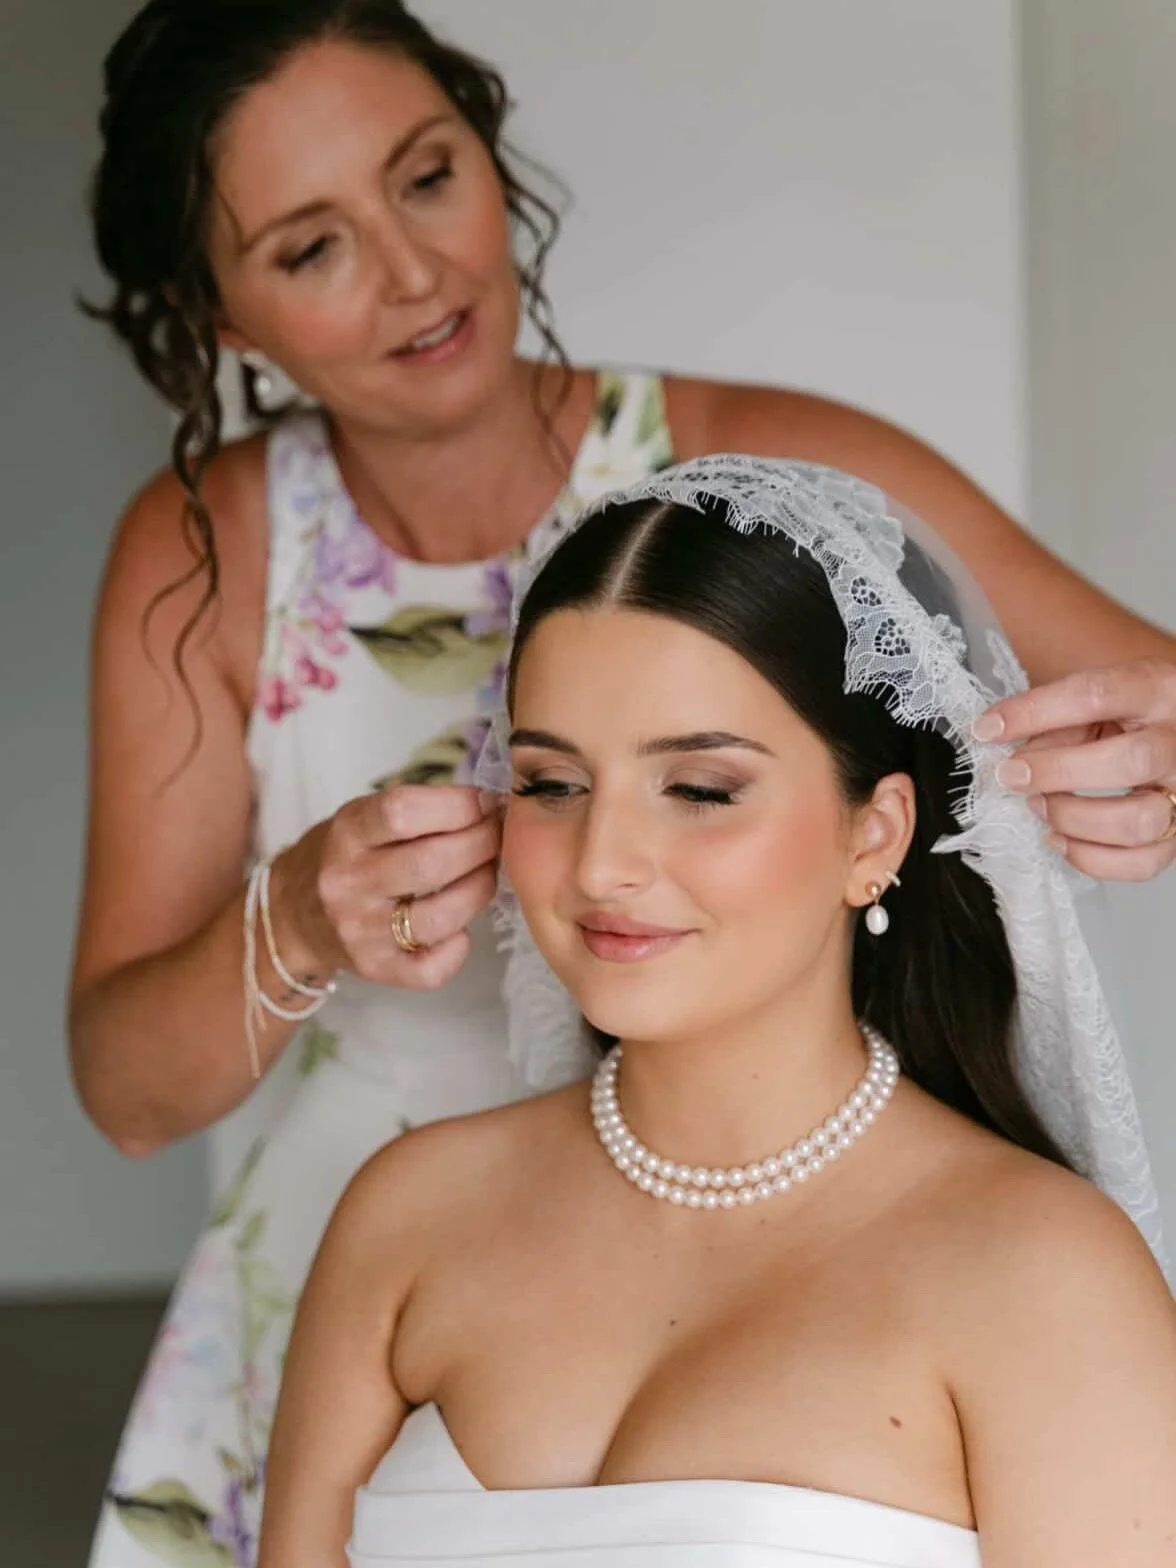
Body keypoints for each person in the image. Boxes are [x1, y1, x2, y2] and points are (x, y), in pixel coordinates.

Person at [76, 2, 1176, 1563]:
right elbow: (126, 1089)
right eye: (311, 247)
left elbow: (1132, 708)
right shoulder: (207, 560)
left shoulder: (779, 477)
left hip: (813, 1253)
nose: (413, 272)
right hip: (397, 1273)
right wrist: (298, 928)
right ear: (226, 323)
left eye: (428, 176)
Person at [259, 458, 1176, 1568]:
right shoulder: (407, 1212)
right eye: (553, 783)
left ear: (874, 835)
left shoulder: (1045, 1272)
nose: (601, 864)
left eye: (698, 789)